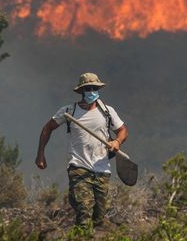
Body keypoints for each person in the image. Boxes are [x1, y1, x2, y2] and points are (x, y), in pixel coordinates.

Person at [36, 72, 128, 228]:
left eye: (94, 88)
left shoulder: (107, 112)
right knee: (84, 210)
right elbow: (47, 128)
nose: (91, 91)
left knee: (99, 217)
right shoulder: (69, 111)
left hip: (102, 168)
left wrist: (117, 142)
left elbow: (122, 130)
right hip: (78, 167)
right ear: (81, 91)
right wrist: (40, 154)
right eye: (88, 88)